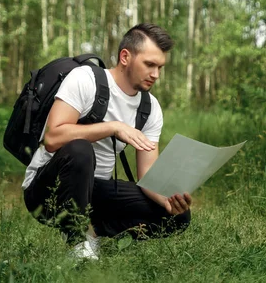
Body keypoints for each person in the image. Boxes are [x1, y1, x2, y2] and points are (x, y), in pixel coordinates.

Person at [21, 23, 192, 260]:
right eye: (149, 65)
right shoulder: (85, 79)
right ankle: (77, 242)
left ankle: (92, 231)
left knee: (178, 217)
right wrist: (112, 127)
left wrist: (168, 199)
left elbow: (147, 175)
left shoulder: (150, 108)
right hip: (48, 189)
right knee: (80, 149)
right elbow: (52, 138)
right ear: (125, 57)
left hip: (97, 192)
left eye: (160, 67)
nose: (156, 75)